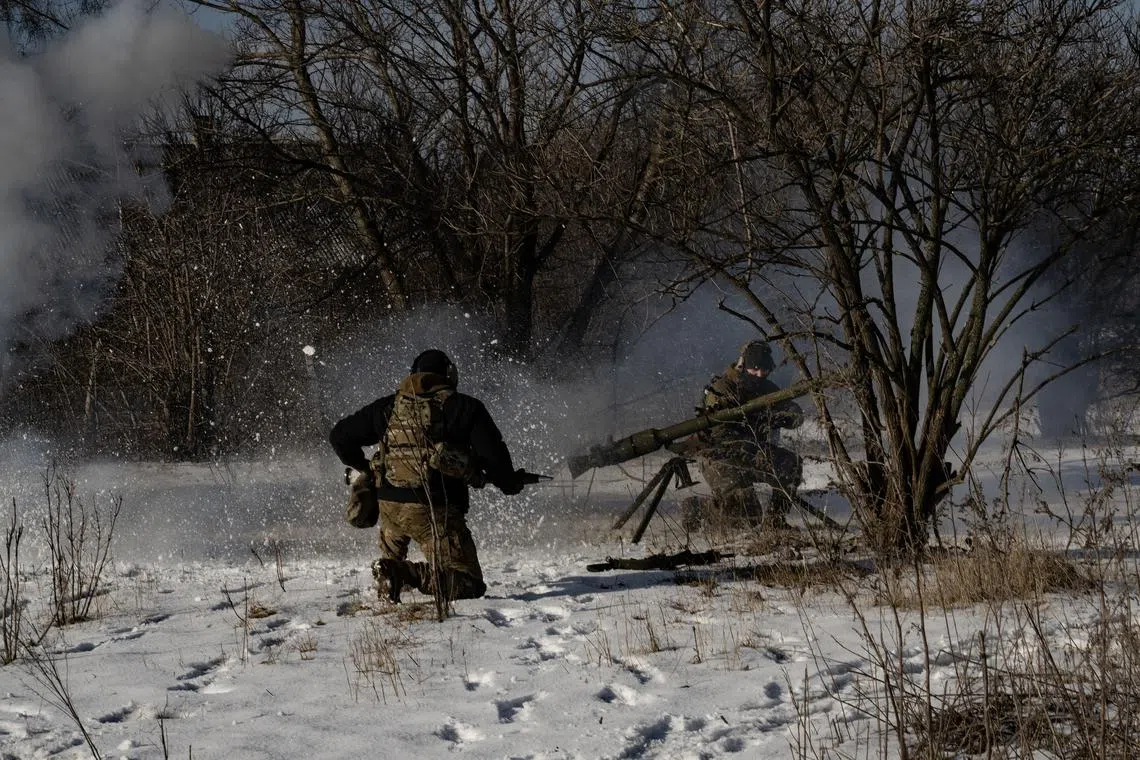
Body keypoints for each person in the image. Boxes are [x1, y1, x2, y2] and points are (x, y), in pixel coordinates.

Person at [329, 349, 526, 602]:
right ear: (449, 375)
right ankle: (404, 574)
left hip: (389, 507)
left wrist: (366, 469)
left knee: (397, 529)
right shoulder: (464, 407)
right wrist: (510, 484)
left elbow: (340, 437)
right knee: (468, 583)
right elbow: (495, 460)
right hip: (433, 510)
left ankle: (389, 572)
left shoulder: (387, 407)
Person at [684, 340, 805, 530]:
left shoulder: (767, 388)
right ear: (743, 366)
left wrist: (782, 417)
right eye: (754, 369)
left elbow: (795, 414)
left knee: (791, 464)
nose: (759, 374)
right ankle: (699, 508)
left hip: (752, 452)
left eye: (764, 369)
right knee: (745, 518)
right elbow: (720, 434)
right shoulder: (724, 388)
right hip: (719, 455)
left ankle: (775, 521)